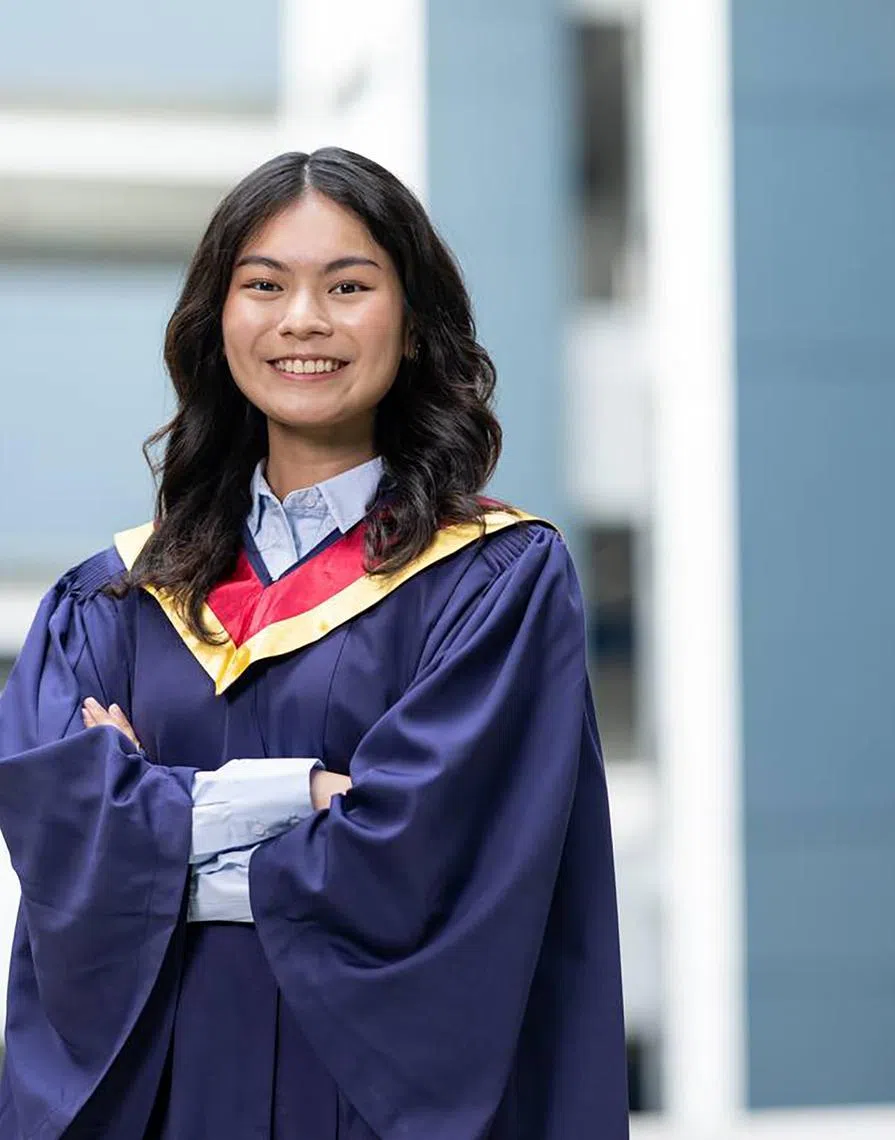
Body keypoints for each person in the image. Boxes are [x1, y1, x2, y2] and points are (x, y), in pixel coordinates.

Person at [0, 147, 628, 1139]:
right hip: (166, 1098)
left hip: (368, 1105)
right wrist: (301, 796)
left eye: (349, 286)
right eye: (264, 286)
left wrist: (150, 832)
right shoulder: (115, 595)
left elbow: (427, 864)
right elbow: (59, 834)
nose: (304, 320)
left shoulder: (494, 583)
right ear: (220, 323)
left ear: (413, 326)